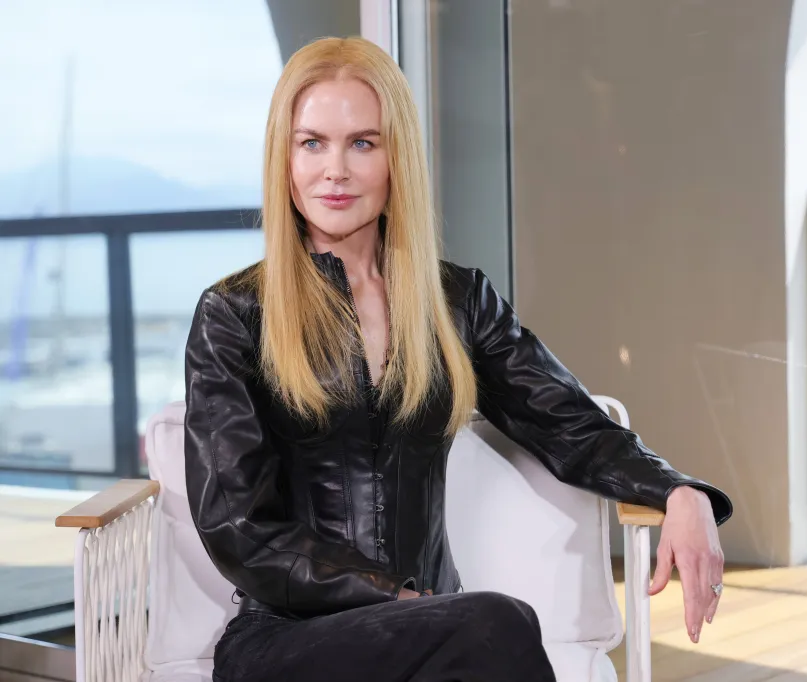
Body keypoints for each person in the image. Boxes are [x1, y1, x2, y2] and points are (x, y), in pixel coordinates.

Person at [183, 36, 733, 682]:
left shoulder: (456, 302)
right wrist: (392, 599)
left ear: (397, 160)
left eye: (363, 143)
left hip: (429, 636)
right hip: (286, 642)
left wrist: (679, 491)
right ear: (284, 158)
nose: (335, 169)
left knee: (487, 634)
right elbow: (239, 529)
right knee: (499, 626)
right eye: (312, 143)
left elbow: (569, 422)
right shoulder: (234, 314)